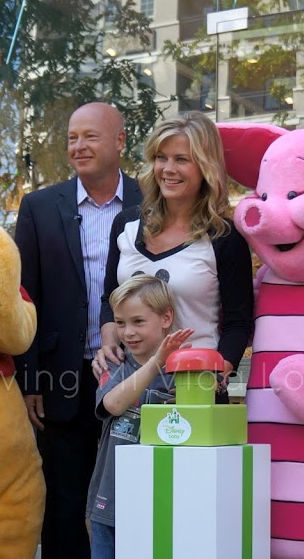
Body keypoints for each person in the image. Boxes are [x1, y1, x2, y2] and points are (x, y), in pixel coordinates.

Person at [14, 102, 143, 559]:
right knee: (65, 516)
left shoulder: (152, 204)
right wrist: (30, 377)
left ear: (120, 140)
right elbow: (26, 294)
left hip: (136, 380)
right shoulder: (41, 207)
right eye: (71, 137)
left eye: (91, 136)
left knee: (135, 512)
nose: (78, 145)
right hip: (63, 386)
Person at [67, 275, 194, 559]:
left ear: (165, 318)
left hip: (162, 510)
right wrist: (155, 359)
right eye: (120, 322)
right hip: (109, 506)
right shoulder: (114, 367)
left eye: (138, 320)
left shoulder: (189, 369)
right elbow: (114, 405)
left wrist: (169, 361)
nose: (128, 332)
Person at [93, 110, 253, 390]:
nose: (168, 169)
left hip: (195, 387)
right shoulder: (125, 224)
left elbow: (238, 323)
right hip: (129, 386)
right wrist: (108, 344)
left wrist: (218, 374)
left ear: (206, 166)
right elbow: (109, 299)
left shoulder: (225, 238)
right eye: (161, 157)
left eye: (182, 159)